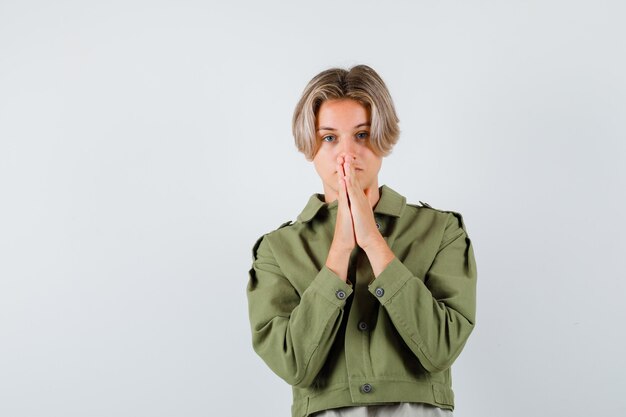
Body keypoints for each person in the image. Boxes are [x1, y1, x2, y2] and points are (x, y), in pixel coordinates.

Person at [246, 65, 477, 417]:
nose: (347, 154)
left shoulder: (440, 230)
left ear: (383, 139)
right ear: (310, 146)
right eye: (329, 137)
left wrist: (375, 244)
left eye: (363, 135)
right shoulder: (277, 250)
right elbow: (293, 364)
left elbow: (440, 349)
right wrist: (340, 250)